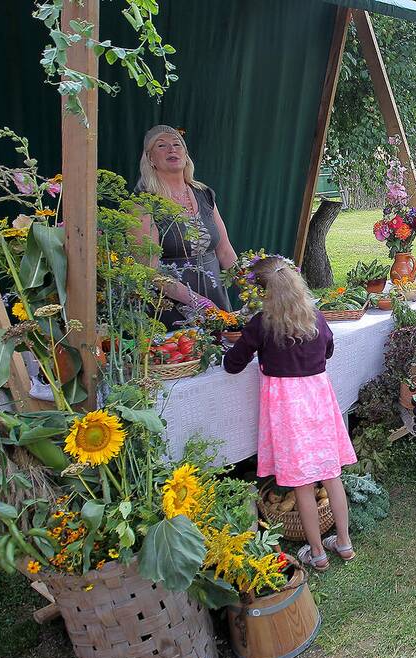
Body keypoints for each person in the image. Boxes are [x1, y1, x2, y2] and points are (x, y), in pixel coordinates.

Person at [223, 257, 357, 571]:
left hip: (287, 413)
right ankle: (344, 543)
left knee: (302, 484)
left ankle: (317, 553)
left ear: (266, 292)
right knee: (331, 476)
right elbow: (328, 350)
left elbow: (233, 364)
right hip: (318, 404)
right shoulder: (316, 318)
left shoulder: (261, 324)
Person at [136, 125, 238, 328]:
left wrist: (252, 286)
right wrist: (197, 301)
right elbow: (150, 270)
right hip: (169, 309)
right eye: (162, 145)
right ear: (150, 159)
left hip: (216, 300)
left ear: (186, 155)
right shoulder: (143, 204)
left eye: (177, 144)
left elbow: (225, 251)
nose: (172, 149)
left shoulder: (204, 194)